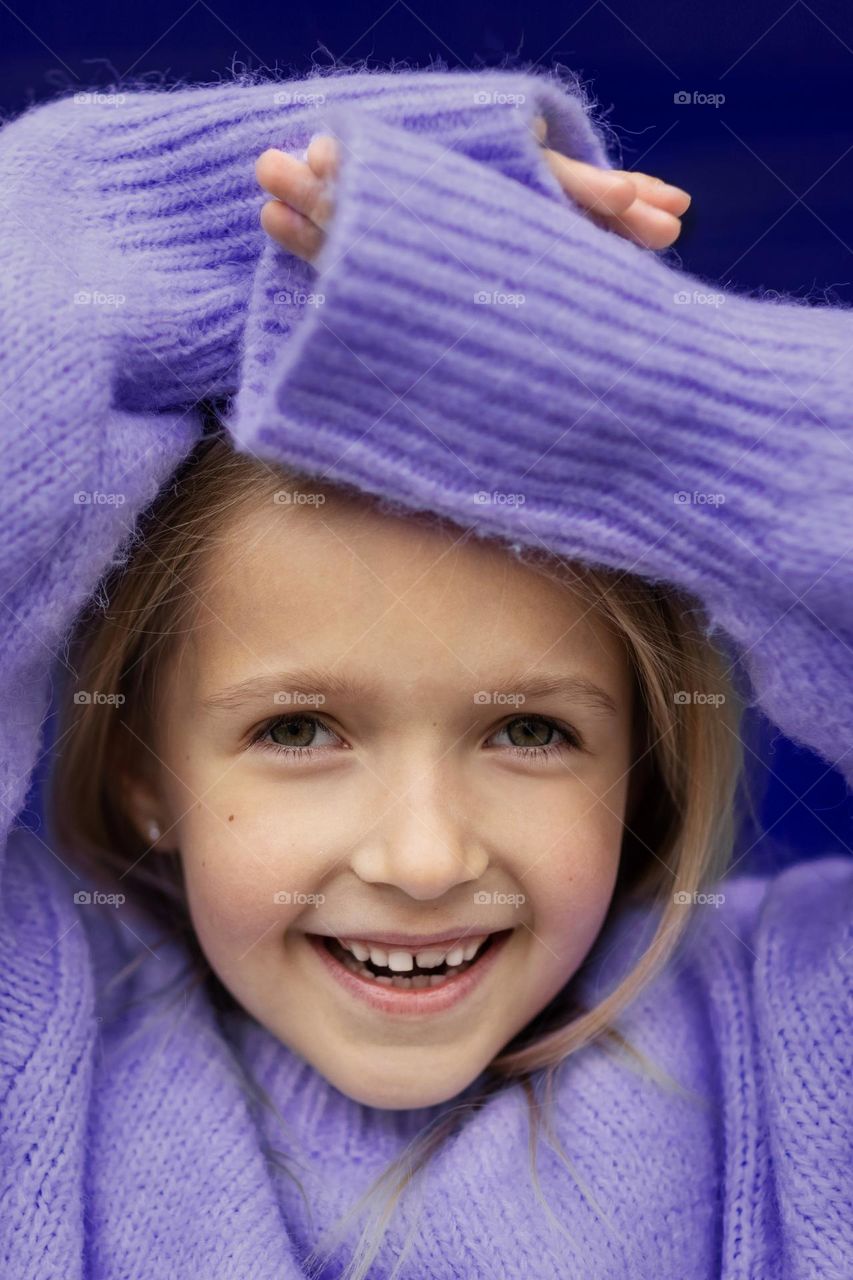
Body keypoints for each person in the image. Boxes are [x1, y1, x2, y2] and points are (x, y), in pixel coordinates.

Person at [0, 60, 849, 1279]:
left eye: (530, 731)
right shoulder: (38, 1043)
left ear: (643, 759)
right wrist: (223, 208)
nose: (423, 859)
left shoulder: (800, 1029)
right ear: (143, 768)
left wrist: (664, 409)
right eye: (297, 729)